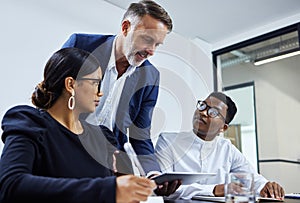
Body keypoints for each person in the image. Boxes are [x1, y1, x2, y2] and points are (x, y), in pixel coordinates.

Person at [0, 47, 156, 203]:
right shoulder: (31, 123)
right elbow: (11, 185)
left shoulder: (102, 138)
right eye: (95, 83)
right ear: (71, 84)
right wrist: (109, 189)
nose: (100, 92)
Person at [61, 0, 172, 176]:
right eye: (147, 40)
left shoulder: (150, 76)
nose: (151, 51)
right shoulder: (81, 45)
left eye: (157, 45)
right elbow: (52, 99)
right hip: (66, 148)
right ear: (126, 27)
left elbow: (140, 135)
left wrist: (154, 174)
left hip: (110, 163)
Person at [155, 92, 285, 200]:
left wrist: (266, 186)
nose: (203, 113)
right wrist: (214, 189)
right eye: (203, 106)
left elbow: (252, 178)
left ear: (223, 127)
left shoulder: (226, 148)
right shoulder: (168, 141)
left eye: (213, 112)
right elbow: (161, 186)